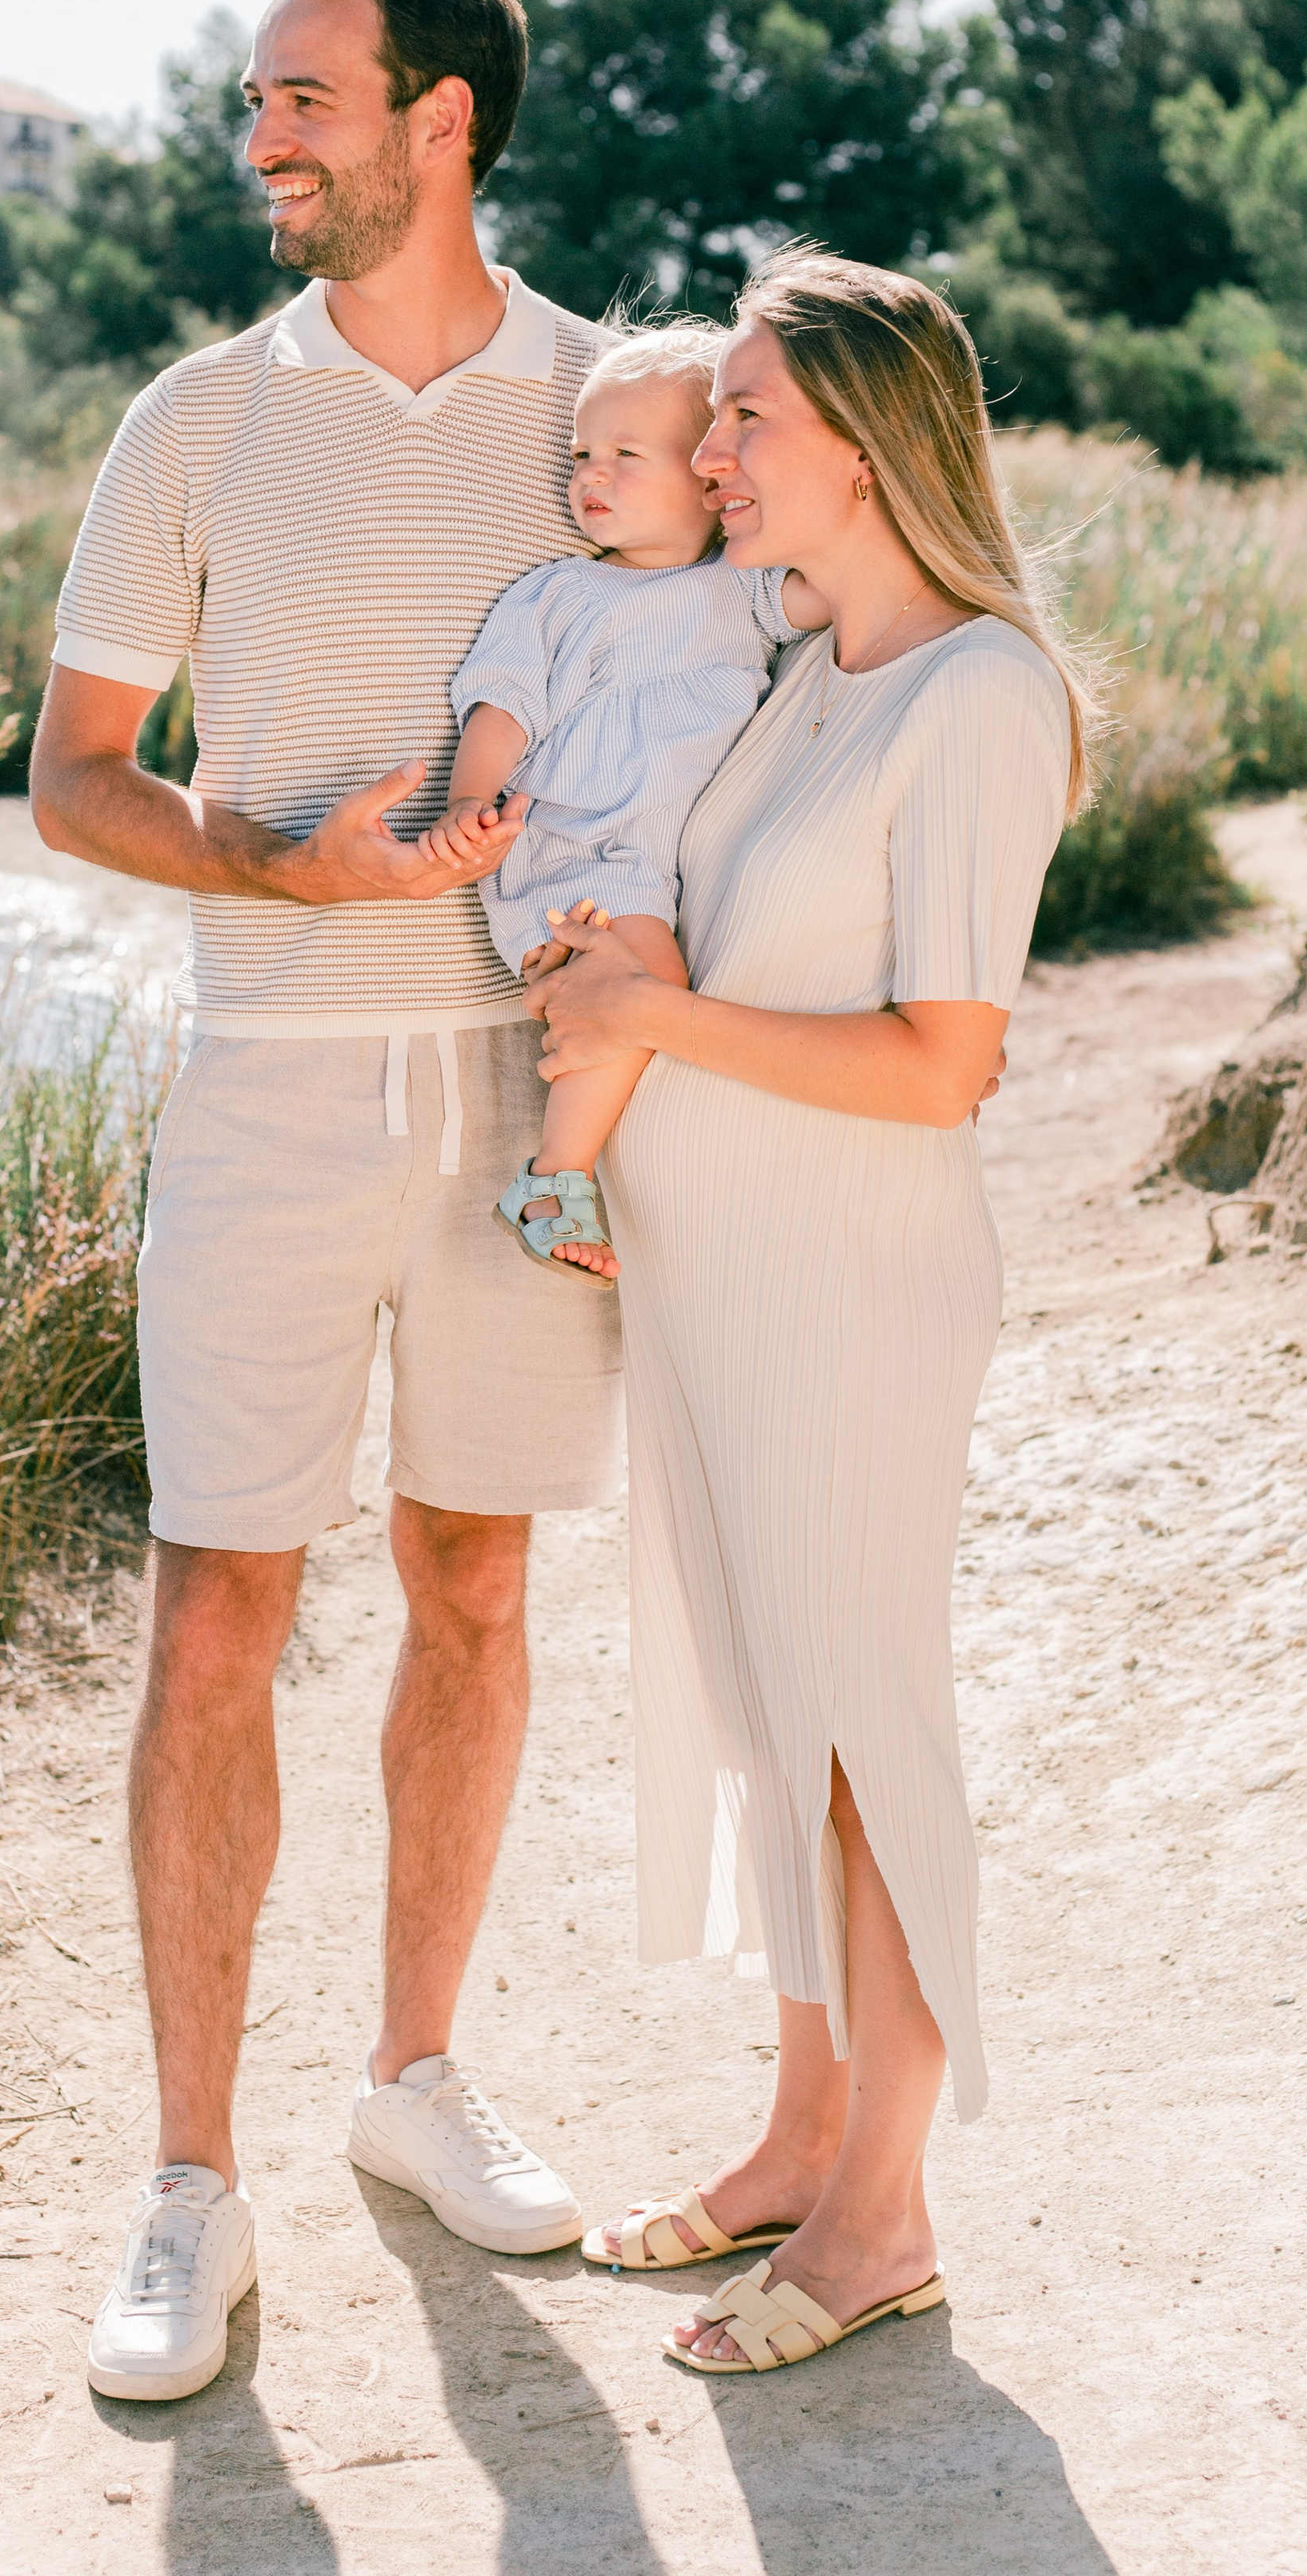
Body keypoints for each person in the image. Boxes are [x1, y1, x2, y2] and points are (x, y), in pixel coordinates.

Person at [30, 0, 623, 2406]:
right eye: (256, 95)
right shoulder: (193, 419)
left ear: (436, 123)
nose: (257, 133)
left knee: (474, 1581)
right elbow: (74, 779)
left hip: (521, 1099)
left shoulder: (610, 405)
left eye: (300, 95)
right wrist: (292, 865)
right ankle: (189, 2183)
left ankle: (411, 2077)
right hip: (266, 1089)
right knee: (217, 1616)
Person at [538, 248, 1093, 2377]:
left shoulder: (978, 695)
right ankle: (798, 2136)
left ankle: (882, 2216)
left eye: (747, 416)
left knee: (863, 1732)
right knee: (777, 1728)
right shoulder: (804, 669)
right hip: (711, 1279)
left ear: (865, 443)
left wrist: (650, 1018)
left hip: (851, 1290)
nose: (709, 452)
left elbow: (945, 1063)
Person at [417, 321, 827, 1278]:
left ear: (709, 473)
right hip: (565, 848)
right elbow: (502, 705)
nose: (591, 474)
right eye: (580, 455)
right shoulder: (558, 595)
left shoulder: (741, 589)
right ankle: (552, 1179)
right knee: (645, 989)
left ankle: (578, 1175)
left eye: (625, 456)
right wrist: (468, 801)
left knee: (646, 1001)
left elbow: (843, 587)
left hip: (646, 861)